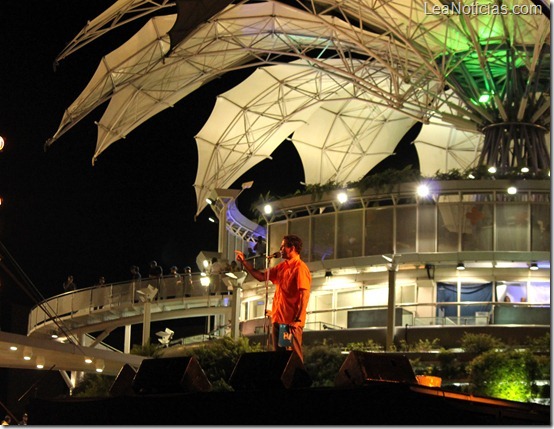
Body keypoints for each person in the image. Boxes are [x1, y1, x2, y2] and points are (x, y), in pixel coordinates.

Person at [235, 234, 311, 361]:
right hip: (279, 320)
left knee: (293, 357)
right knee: (281, 358)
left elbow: (305, 295)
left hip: (290, 322)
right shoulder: (282, 267)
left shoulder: (300, 268)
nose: (280, 250)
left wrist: (298, 319)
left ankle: (299, 374)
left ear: (292, 248)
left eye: (283, 247)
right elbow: (261, 277)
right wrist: (244, 262)